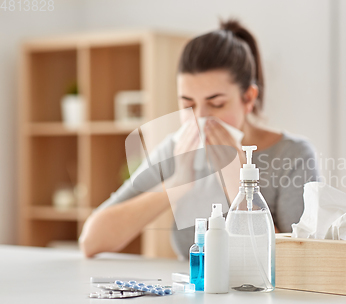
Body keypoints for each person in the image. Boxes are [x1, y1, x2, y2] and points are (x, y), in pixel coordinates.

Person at [79, 19, 319, 259]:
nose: (200, 117)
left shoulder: (292, 156)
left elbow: (300, 260)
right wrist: (175, 184)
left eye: (216, 104)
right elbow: (91, 241)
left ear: (248, 98)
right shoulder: (177, 150)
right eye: (188, 104)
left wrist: (237, 179)